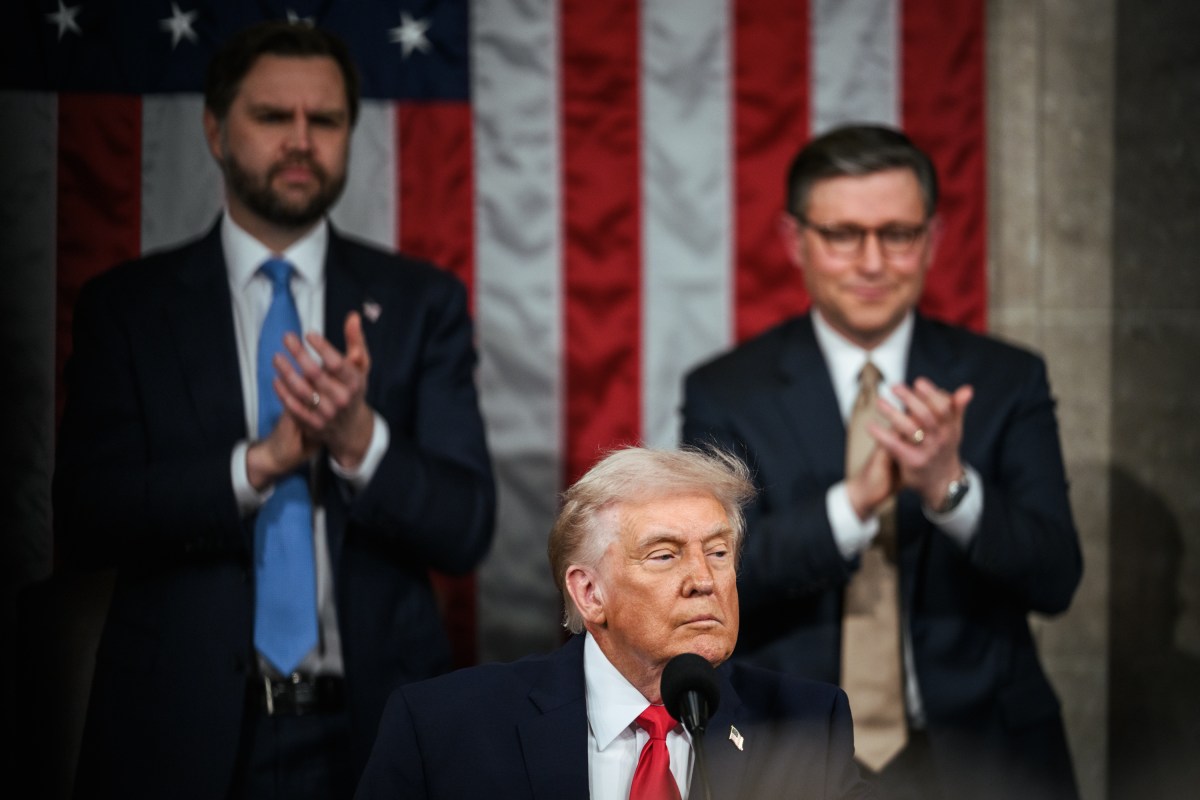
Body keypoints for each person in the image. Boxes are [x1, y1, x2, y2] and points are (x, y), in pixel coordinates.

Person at [52, 20, 495, 800]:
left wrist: (359, 439)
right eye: (272, 117)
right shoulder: (128, 308)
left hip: (374, 737)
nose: (300, 140)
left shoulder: (421, 302)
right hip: (176, 738)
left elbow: (466, 527)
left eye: (323, 121)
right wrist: (257, 465)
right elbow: (85, 518)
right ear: (216, 129)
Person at [681, 125, 1082, 800]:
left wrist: (950, 491)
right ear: (794, 241)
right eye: (843, 235)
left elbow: (1056, 578)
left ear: (932, 240)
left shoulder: (1006, 379)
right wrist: (853, 505)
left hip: (983, 757)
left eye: (897, 234)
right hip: (790, 752)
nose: (872, 262)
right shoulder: (726, 391)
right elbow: (714, 575)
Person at [355, 445, 874, 799]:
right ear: (588, 592)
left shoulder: (808, 725)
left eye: (718, 552)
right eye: (664, 555)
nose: (704, 579)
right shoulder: (444, 729)